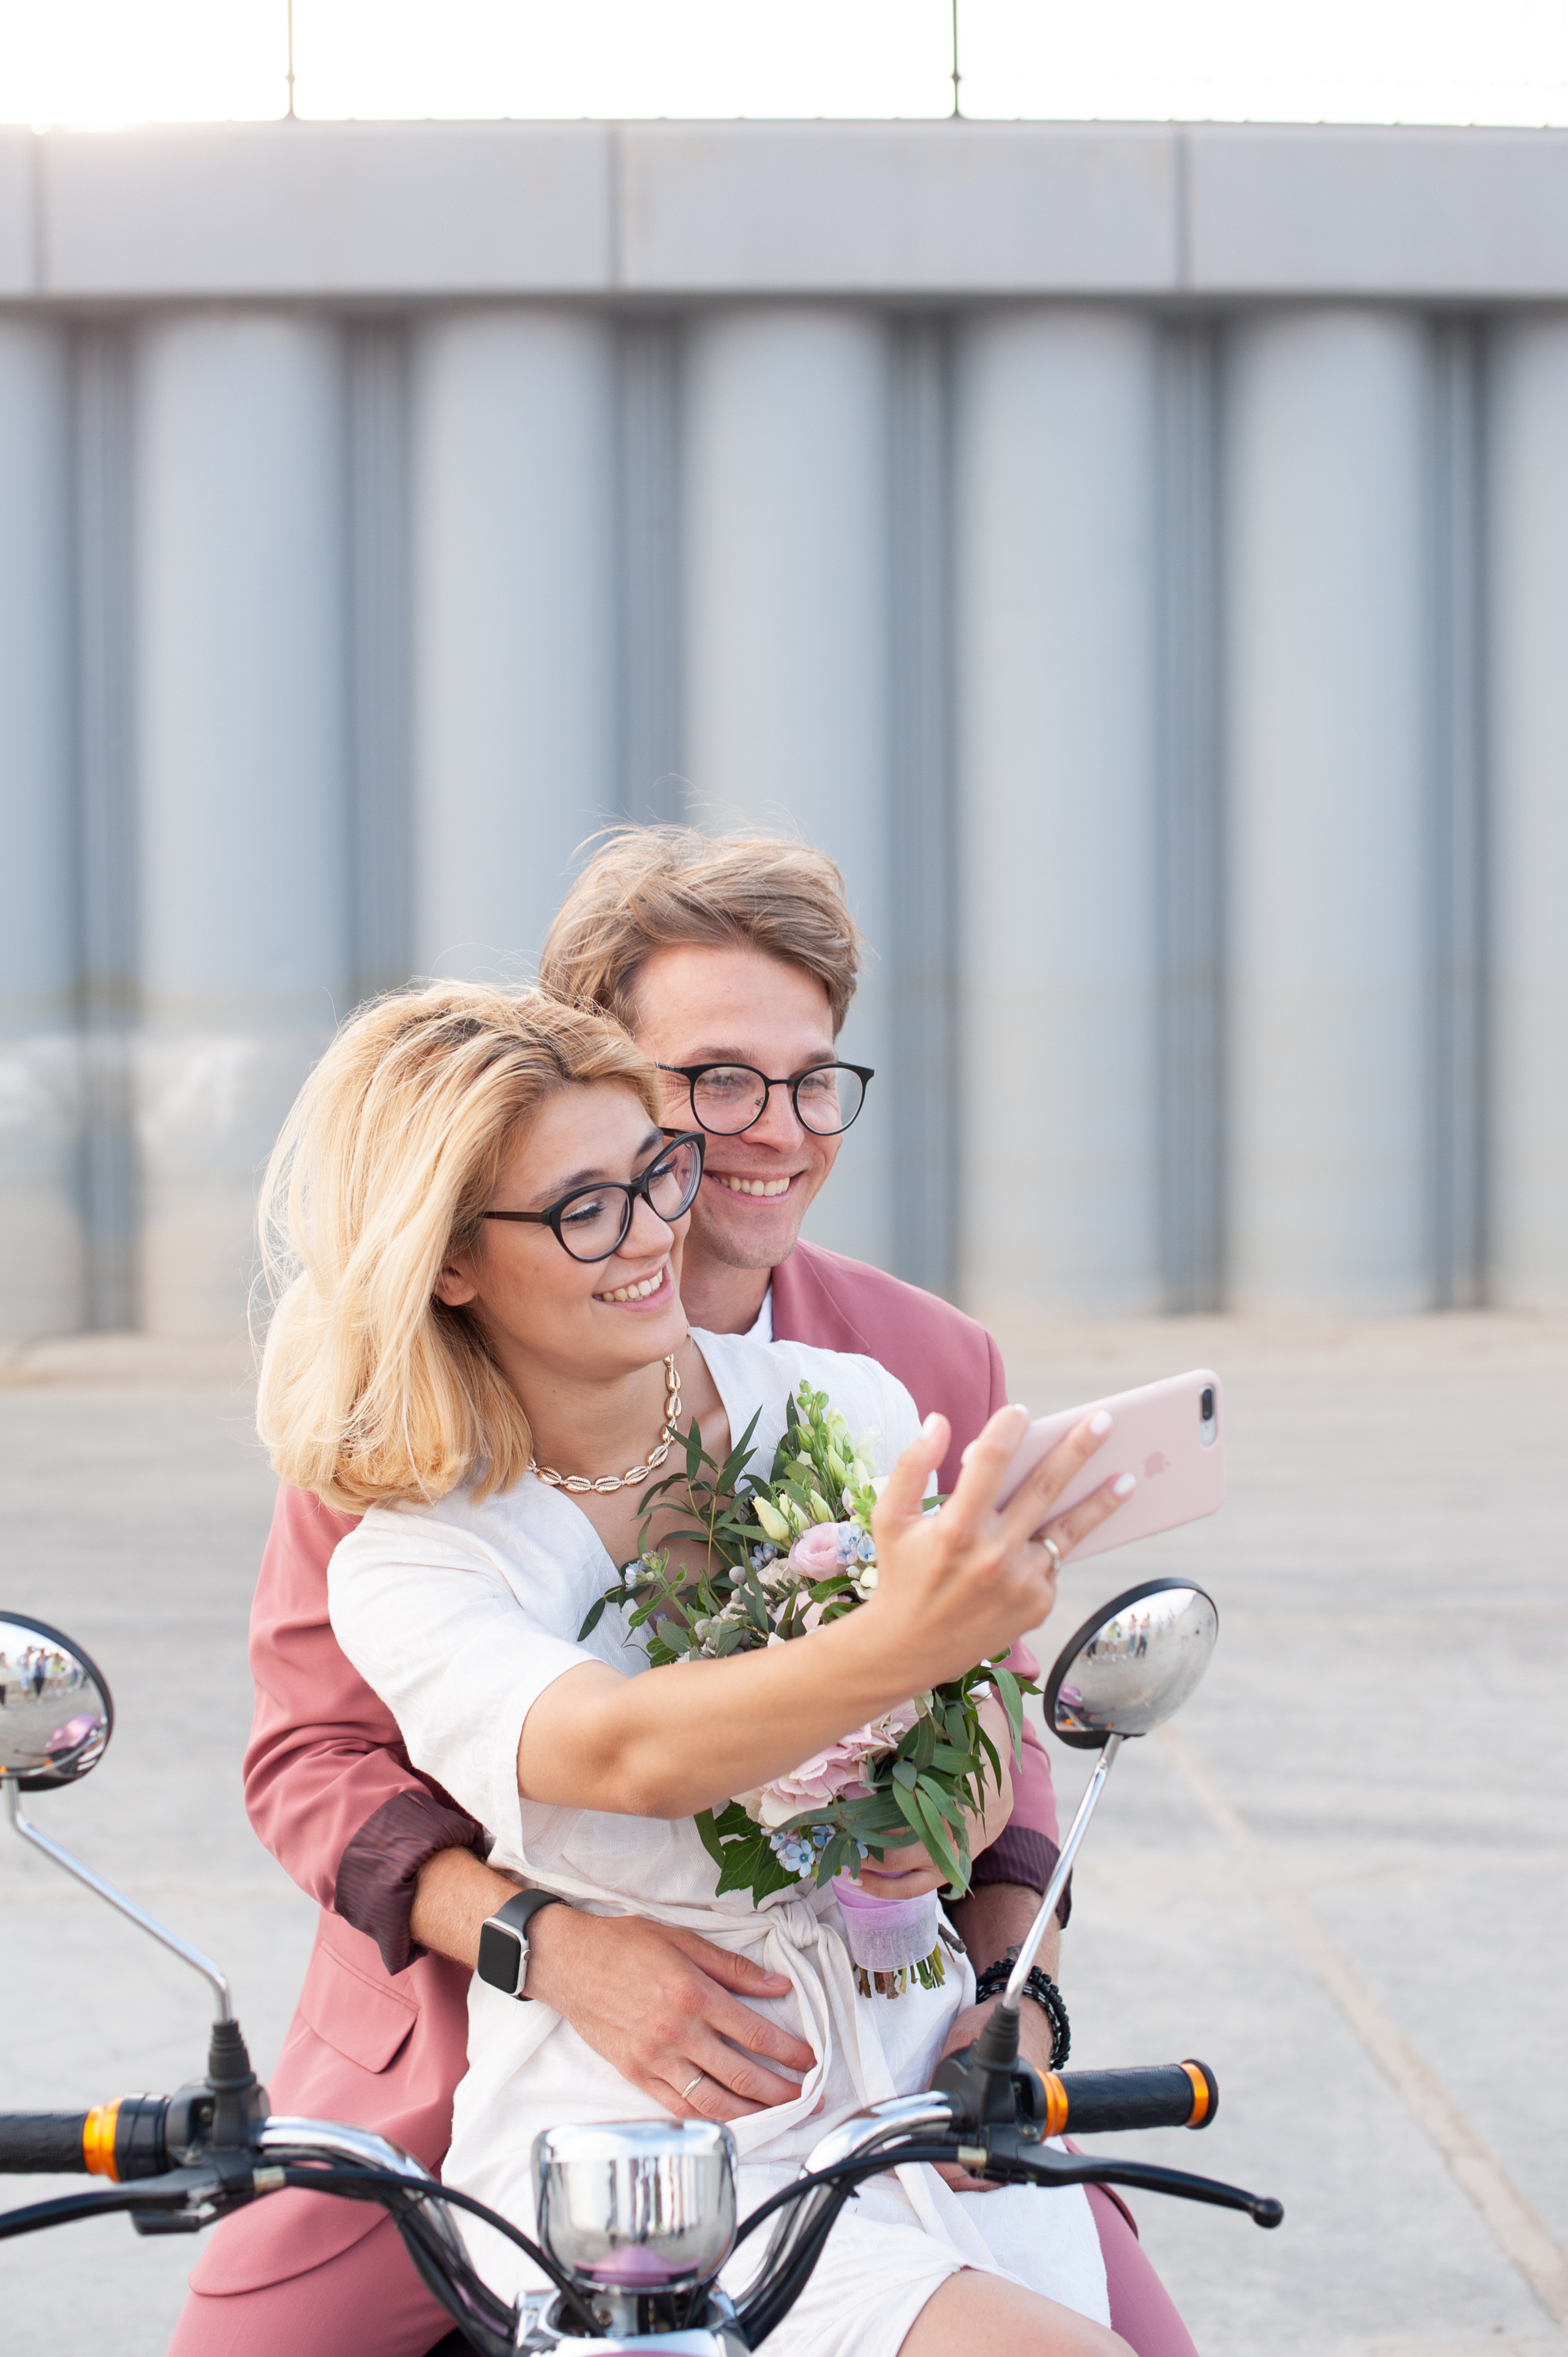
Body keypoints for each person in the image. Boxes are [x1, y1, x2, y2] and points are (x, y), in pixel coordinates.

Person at [172, 830, 1196, 2357]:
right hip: (495, 2032)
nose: (770, 1132)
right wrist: (551, 1947)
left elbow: (995, 1736)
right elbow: (321, 1764)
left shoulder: (888, 1377)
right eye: (714, 1082)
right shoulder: (402, 1454)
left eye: (811, 1078)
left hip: (896, 2044)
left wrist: (1008, 1990)